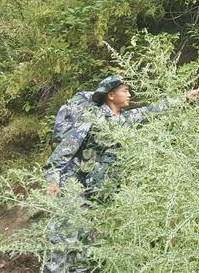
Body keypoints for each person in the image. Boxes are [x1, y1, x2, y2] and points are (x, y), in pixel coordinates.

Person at [42, 75, 169, 273]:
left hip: (96, 192)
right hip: (73, 188)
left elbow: (152, 110)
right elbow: (62, 153)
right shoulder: (93, 119)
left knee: (86, 248)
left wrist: (188, 97)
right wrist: (53, 181)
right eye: (125, 91)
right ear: (111, 95)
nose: (129, 94)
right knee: (63, 242)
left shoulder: (124, 119)